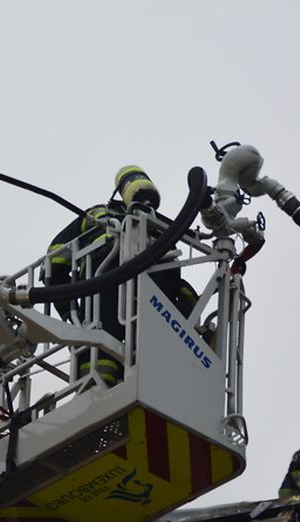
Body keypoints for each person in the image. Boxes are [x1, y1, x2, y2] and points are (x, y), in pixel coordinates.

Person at [45, 165, 196, 386]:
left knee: (101, 347)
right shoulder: (106, 216)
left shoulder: (158, 229)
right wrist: (69, 309)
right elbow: (55, 261)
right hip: (112, 287)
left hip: (116, 292)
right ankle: (99, 391)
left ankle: (97, 393)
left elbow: (54, 264)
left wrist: (69, 309)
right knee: (102, 347)